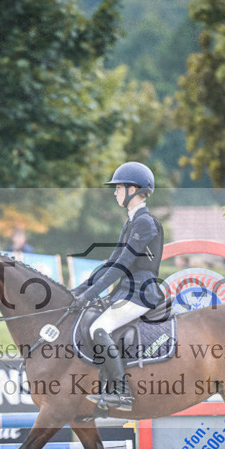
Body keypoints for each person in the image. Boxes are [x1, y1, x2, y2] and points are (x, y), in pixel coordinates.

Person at [71, 161, 164, 411]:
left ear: (133, 189)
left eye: (119, 188)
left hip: (141, 292)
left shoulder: (145, 222)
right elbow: (111, 262)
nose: (115, 193)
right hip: (128, 291)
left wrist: (89, 294)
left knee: (99, 327)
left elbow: (122, 265)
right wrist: (79, 290)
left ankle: (122, 392)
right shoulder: (131, 222)